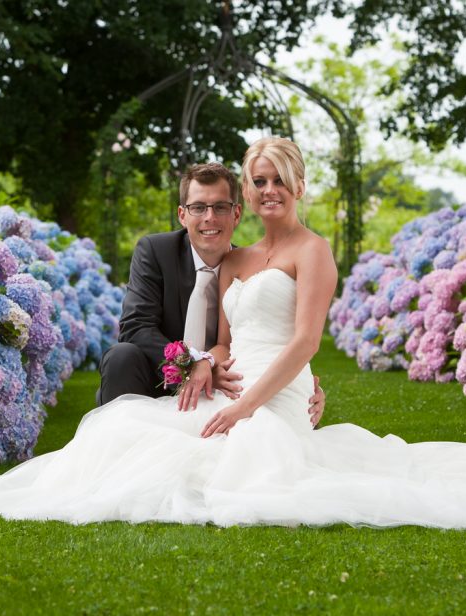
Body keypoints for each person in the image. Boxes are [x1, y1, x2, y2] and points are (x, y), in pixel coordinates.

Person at [0, 137, 466, 528]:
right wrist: (210, 367)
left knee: (246, 462)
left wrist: (250, 401)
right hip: (230, 386)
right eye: (259, 179)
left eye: (276, 180)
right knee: (137, 436)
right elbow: (222, 339)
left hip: (273, 395)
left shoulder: (315, 251)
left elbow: (304, 341)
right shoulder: (238, 259)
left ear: (297, 184)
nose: (268, 189)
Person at [96, 162, 325, 426]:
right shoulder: (156, 251)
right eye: (198, 207)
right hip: (158, 380)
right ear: (183, 215)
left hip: (223, 384)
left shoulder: (249, 269)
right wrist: (193, 365)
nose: (209, 217)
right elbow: (136, 327)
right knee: (121, 355)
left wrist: (304, 386)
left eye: (220, 207)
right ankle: (116, 439)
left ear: (236, 213)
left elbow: (267, 334)